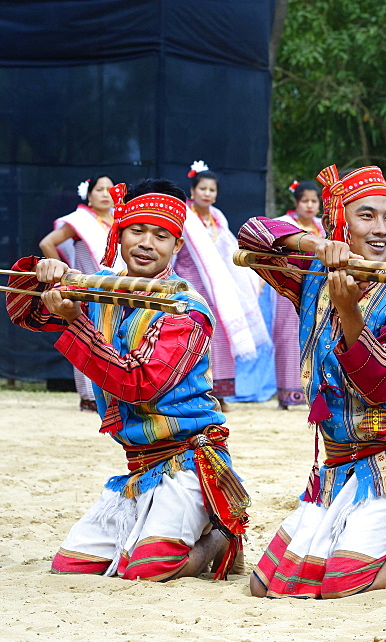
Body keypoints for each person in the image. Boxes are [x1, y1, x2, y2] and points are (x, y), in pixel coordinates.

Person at [240, 163, 386, 599]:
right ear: (339, 224)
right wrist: (316, 244)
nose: (382, 228)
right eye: (366, 216)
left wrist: (350, 313)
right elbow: (252, 233)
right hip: (333, 470)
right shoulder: (312, 281)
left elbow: (382, 389)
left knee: (342, 584)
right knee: (263, 586)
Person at [6, 178, 249, 581]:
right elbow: (27, 311)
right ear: (119, 234)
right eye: (137, 230)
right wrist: (43, 274)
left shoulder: (185, 307)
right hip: (138, 469)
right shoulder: (98, 287)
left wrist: (75, 321)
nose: (147, 243)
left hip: (187, 462)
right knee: (71, 567)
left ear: (177, 246)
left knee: (148, 569)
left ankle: (218, 535)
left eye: (161, 235)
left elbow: (138, 382)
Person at [172, 161, 270, 406]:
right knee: (193, 336)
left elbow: (229, 252)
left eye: (211, 190)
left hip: (219, 290)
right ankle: (194, 392)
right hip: (190, 285)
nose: (207, 193)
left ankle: (219, 392)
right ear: (192, 191)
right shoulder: (184, 217)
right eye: (202, 189)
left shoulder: (218, 218)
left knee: (219, 336)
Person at [39, 175, 123, 412]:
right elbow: (48, 243)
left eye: (110, 189)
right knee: (88, 335)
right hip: (87, 289)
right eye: (100, 189)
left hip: (116, 289)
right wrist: (62, 274)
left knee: (113, 338)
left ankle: (112, 393)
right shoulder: (79, 221)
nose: (105, 194)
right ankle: (89, 397)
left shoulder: (120, 219)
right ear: (89, 194)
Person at [270, 180, 325, 409]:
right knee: (287, 336)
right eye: (306, 201)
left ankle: (312, 391)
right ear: (296, 202)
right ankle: (287, 394)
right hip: (289, 285)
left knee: (317, 333)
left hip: (318, 286)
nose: (310, 205)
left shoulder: (323, 227)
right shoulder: (283, 224)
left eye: (314, 201)